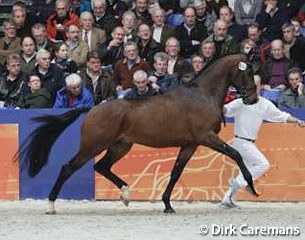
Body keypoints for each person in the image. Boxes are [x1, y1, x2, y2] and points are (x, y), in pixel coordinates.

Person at [220, 78, 305, 208]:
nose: (253, 87)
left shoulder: (265, 104)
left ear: (261, 86)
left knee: (247, 171)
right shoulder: (240, 102)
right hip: (241, 142)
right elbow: (225, 110)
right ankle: (237, 183)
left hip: (250, 142)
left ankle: (227, 198)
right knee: (263, 164)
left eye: (256, 85)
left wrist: (297, 121)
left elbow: (282, 115)